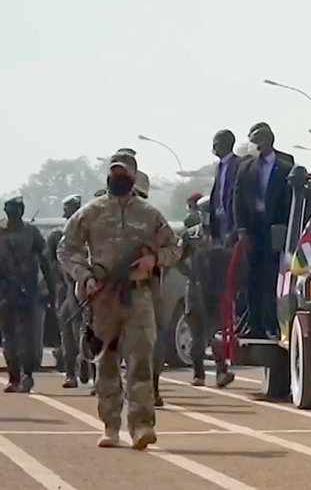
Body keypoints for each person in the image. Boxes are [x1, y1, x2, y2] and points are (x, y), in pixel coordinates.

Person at [58, 152, 180, 450]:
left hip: (138, 295)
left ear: (133, 177)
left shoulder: (149, 215)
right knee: (107, 362)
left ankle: (142, 425)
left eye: (123, 173)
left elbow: (174, 248)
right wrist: (84, 276)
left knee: (141, 361)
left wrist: (154, 260)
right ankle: (111, 426)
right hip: (103, 298)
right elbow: (67, 248)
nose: (118, 178)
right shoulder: (91, 212)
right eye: (114, 172)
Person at [233, 122, 295, 338]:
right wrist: (241, 230)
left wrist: (288, 230)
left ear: (268, 141)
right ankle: (255, 325)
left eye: (258, 141)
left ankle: (273, 324)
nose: (254, 146)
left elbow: (291, 200)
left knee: (274, 277)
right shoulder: (245, 167)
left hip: (277, 230)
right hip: (253, 229)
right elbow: (237, 200)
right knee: (253, 277)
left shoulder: (286, 166)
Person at [0, 196, 54, 393]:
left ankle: (26, 375)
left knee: (26, 335)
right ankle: (14, 377)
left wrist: (50, 287)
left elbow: (45, 260)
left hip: (27, 290)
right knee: (9, 336)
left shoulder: (31, 233)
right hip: (5, 290)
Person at [181, 196, 235, 389]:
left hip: (213, 289)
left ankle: (217, 373)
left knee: (215, 333)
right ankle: (201, 374)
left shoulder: (223, 236)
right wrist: (192, 273)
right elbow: (178, 259)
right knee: (200, 333)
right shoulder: (193, 235)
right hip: (201, 289)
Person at [47, 195, 88, 388]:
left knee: (84, 330)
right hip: (65, 288)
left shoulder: (87, 233)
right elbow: (51, 262)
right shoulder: (58, 235)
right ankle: (71, 373)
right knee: (67, 330)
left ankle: (86, 369)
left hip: (84, 287)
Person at [210, 130, 240, 243]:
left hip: (233, 221)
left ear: (225, 144)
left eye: (216, 143)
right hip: (219, 221)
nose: (213, 147)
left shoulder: (239, 164)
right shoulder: (218, 167)